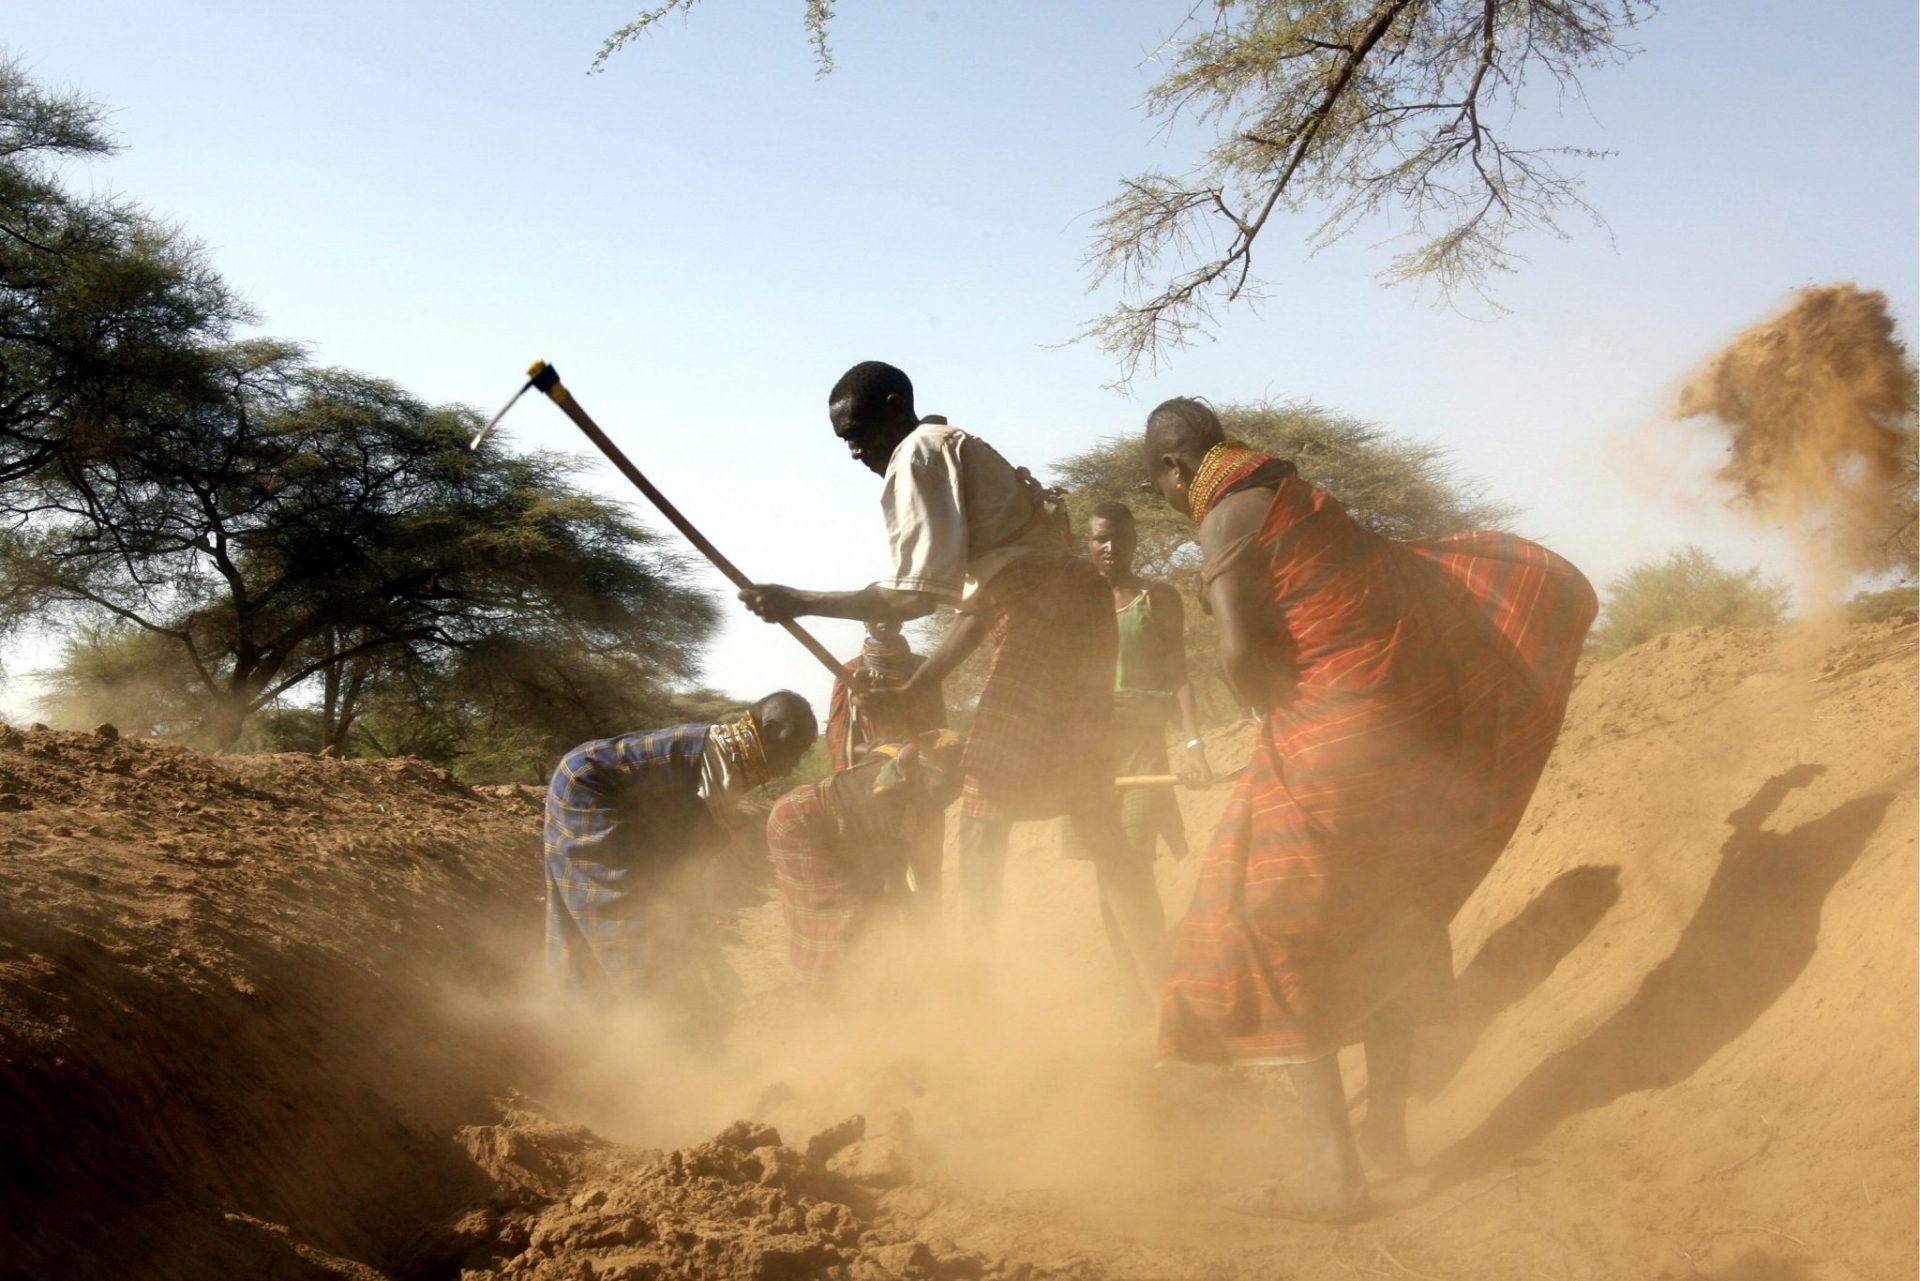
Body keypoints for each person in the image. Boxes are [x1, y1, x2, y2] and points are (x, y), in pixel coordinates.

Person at [1142, 398, 1596, 1221]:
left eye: (1160, 486)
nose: (1168, 500)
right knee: (1395, 909)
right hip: (1413, 727)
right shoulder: (1300, 493)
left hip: (1340, 734)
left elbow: (1244, 656)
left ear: (1175, 469)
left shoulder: (1226, 517)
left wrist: (1280, 707)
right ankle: (1386, 1134)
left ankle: (1332, 1172)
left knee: (1271, 916)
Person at [738, 362, 1159, 995]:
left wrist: (797, 600)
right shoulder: (958, 446)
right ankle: (1162, 984)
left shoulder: (917, 454)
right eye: (844, 442)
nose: (855, 450)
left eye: (859, 432)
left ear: (893, 406)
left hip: (1041, 621)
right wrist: (916, 685)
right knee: (1090, 803)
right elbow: (982, 602)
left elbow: (913, 598)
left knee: (983, 800)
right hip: (1077, 614)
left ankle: (971, 989)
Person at [542, 691, 818, 1028]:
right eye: (792, 748)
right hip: (588, 788)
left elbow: (684, 873)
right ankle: (645, 1033)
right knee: (620, 917)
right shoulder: (719, 766)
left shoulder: (727, 765)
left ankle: (607, 1024)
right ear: (768, 730)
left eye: (802, 754)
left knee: (659, 909)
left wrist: (709, 959)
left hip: (628, 805)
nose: (792, 764)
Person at [765, 729, 966, 986]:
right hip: (798, 823)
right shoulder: (889, 800)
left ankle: (841, 988)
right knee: (835, 912)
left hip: (830, 828)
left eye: (954, 789)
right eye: (941, 786)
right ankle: (818, 995)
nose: (945, 797)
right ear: (923, 772)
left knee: (861, 907)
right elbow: (892, 882)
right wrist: (924, 931)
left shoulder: (903, 768)